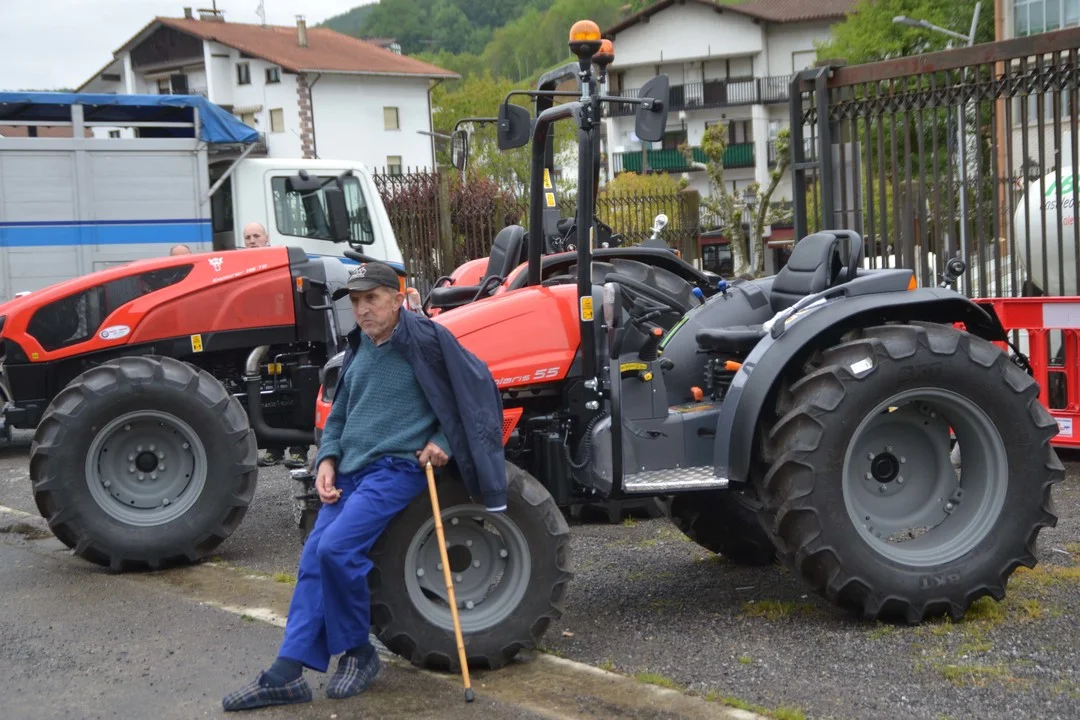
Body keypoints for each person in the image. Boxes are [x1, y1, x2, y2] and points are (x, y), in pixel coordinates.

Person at [222, 261, 507, 712]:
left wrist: (444, 441)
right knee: (316, 558)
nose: (362, 309)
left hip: (394, 469)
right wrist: (327, 460)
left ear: (398, 298)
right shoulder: (359, 347)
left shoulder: (427, 340)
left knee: (336, 550)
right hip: (349, 474)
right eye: (355, 301)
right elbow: (338, 415)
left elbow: (478, 392)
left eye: (371, 298)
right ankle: (287, 672)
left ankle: (359, 653)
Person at [239, 221, 309, 468]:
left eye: (256, 236)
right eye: (248, 237)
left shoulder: (276, 263)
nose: (252, 241)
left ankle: (299, 450)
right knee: (266, 394)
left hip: (284, 337)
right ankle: (274, 449)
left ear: (266, 238)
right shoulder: (240, 269)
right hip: (255, 337)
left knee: (292, 390)